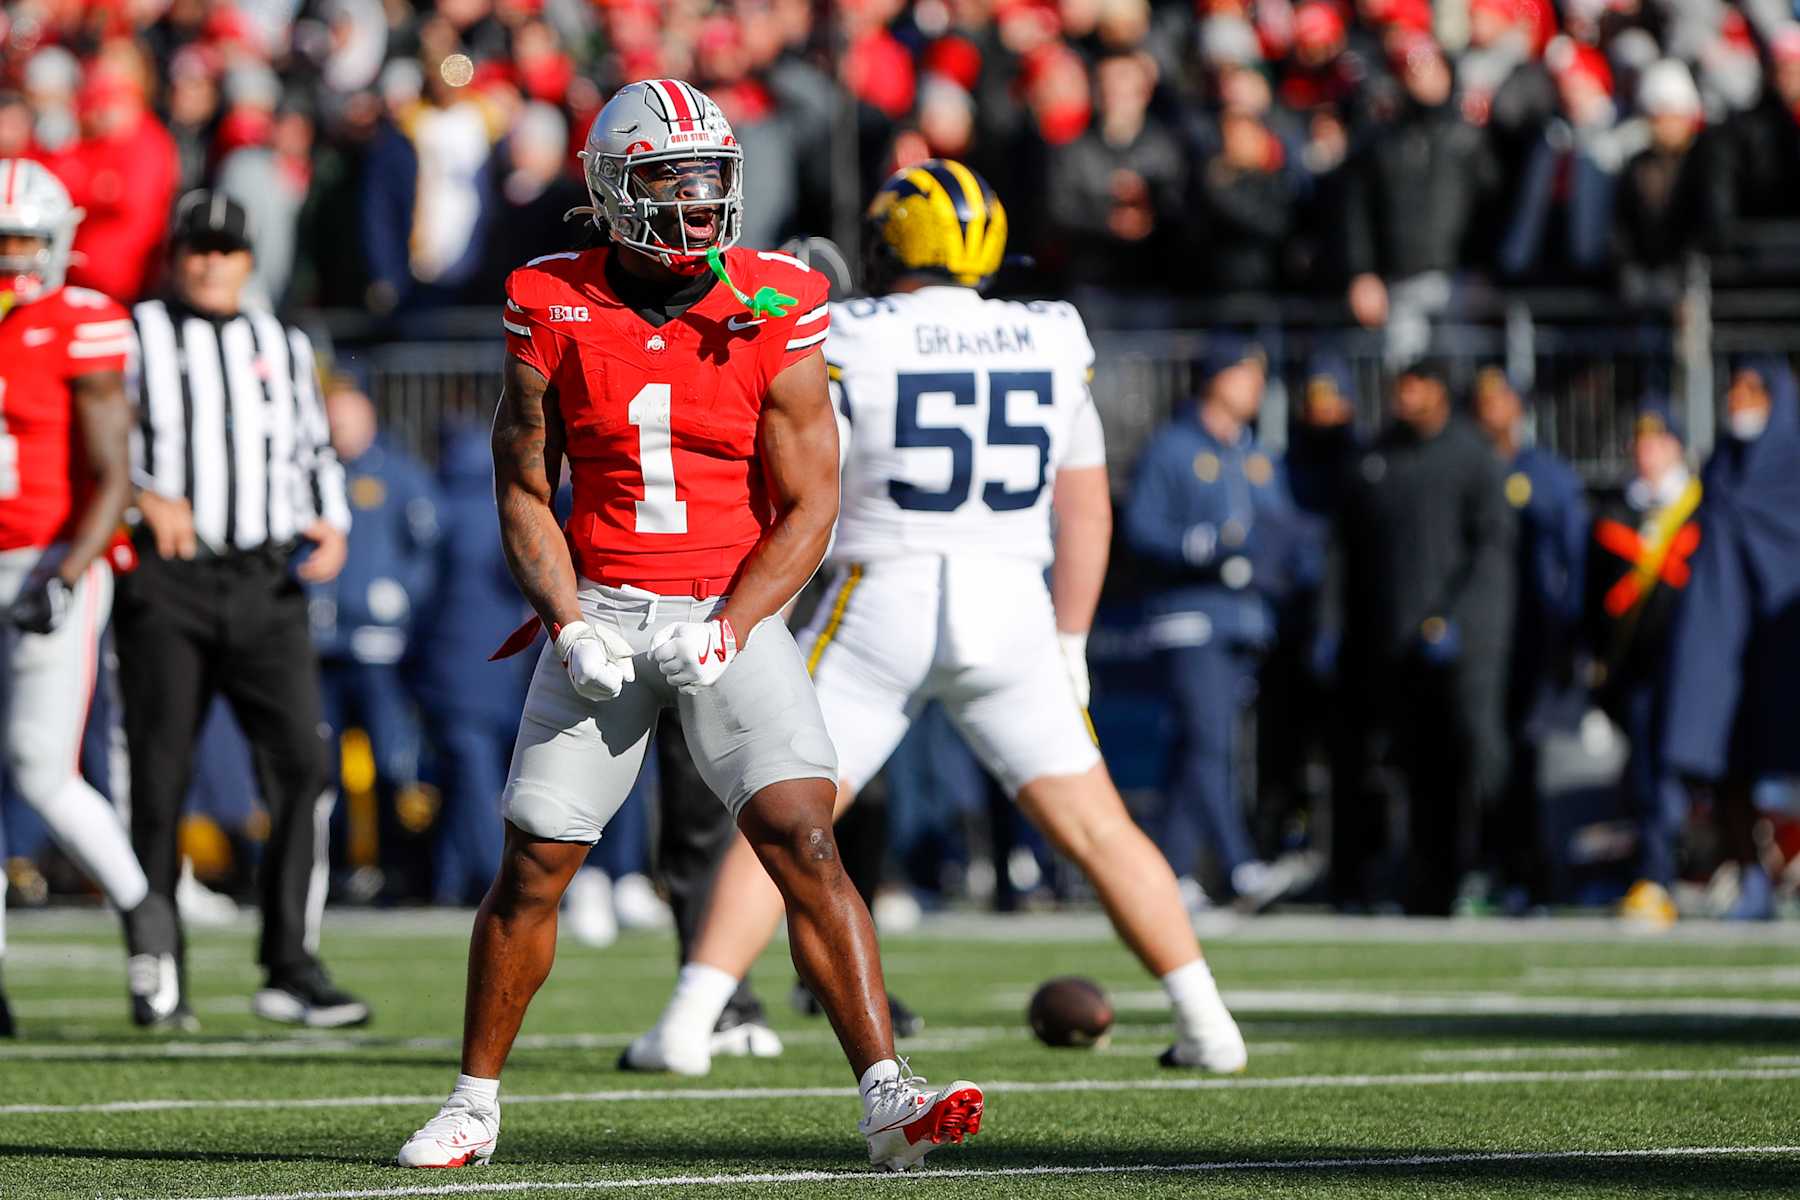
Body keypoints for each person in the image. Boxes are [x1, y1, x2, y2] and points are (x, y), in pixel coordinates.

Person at [396, 83, 982, 1174]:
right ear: (614, 188)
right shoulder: (547, 298)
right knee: (535, 863)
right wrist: (567, 622)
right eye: (671, 179)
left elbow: (813, 501)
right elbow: (526, 485)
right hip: (606, 613)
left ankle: (887, 1097)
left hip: (732, 610)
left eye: (711, 178)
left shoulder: (781, 298)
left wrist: (733, 624)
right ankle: (475, 1103)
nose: (699, 202)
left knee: (807, 839)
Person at [623, 158, 1247, 1081]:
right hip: (1011, 603)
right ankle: (1209, 1022)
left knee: (788, 813)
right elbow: (1086, 509)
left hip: (884, 595)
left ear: (886, 246)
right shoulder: (1052, 333)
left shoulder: (851, 330)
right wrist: (1071, 640)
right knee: (1099, 827)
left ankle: (687, 1023)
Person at [118, 190, 364, 1029]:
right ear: (174, 254)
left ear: (248, 259)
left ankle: (289, 964)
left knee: (303, 764)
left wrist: (333, 518)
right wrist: (140, 497)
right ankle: (159, 968)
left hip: (267, 584)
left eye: (225, 249)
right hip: (169, 584)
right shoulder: (134, 335)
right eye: (197, 247)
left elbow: (312, 446)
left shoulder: (283, 342)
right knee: (159, 776)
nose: (211, 262)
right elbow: (100, 443)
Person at [0, 159, 178, 1035]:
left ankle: (146, 913)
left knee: (38, 764)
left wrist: (65, 574)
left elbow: (113, 472)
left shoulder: (84, 322)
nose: (9, 260)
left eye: (21, 241)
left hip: (47, 559)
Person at [1124, 339, 1315, 910]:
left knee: (1196, 749)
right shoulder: (1173, 448)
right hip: (1188, 619)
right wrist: (1201, 548)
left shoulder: (1255, 453)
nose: (1255, 387)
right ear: (1215, 378)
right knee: (1210, 745)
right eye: (1244, 374)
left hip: (1243, 618)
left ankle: (1172, 875)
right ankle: (1239, 867)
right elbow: (1141, 529)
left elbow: (1280, 530)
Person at [1334, 361, 1515, 914]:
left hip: (1468, 643)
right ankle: (1428, 879)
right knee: (1417, 768)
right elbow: (1352, 552)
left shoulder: (1471, 456)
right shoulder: (1379, 457)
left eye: (1416, 387)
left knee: (1478, 756)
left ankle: (1495, 868)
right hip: (1398, 647)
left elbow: (1491, 550)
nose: (1404, 399)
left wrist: (1456, 617)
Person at [1661, 357, 1800, 921]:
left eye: (1752, 389)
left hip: (1784, 640)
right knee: (1723, 756)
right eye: (1734, 387)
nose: (1738, 400)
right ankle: (1751, 877)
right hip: (1726, 641)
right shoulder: (1721, 464)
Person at [308, 373, 440, 901]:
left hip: (380, 652)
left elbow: (428, 548)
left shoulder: (399, 474)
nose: (339, 429)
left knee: (392, 762)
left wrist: (402, 597)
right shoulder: (312, 475)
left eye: (347, 418)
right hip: (321, 647)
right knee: (324, 768)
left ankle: (399, 870)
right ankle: (339, 870)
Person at [1471, 367, 1586, 910]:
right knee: (1483, 759)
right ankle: (1489, 869)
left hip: (1532, 639)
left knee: (1528, 761)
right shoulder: (1467, 469)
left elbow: (1572, 558)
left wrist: (1573, 633)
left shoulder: (1547, 475)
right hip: (1478, 638)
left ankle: (1534, 874)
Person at [1584, 396, 1699, 928]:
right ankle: (1653, 874)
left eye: (1659, 440)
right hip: (1634, 667)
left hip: (1691, 667)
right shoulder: (1617, 510)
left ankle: (1680, 871)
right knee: (1645, 775)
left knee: (1676, 774)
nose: (1647, 451)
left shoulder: (1698, 508)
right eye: (1642, 441)